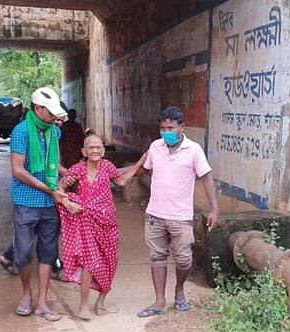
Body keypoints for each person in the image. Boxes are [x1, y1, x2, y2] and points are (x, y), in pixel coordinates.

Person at [136, 106, 220, 318]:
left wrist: (214, 209)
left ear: (182, 127)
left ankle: (179, 289)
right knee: (157, 256)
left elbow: (206, 178)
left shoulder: (193, 150)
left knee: (184, 260)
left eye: (171, 128)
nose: (166, 132)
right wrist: (121, 173)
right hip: (155, 215)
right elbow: (145, 169)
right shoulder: (156, 146)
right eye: (163, 128)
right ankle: (159, 301)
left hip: (181, 217)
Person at [57, 134, 147, 320]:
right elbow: (59, 187)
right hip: (86, 222)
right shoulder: (78, 170)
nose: (95, 150)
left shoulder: (107, 167)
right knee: (90, 263)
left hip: (107, 222)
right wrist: (67, 203)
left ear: (104, 151)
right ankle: (83, 306)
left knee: (109, 261)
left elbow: (121, 181)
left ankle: (100, 302)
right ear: (84, 152)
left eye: (98, 147)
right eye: (91, 147)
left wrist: (139, 164)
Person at [9, 86, 74, 322]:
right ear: (37, 109)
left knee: (47, 252)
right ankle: (26, 294)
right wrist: (49, 188)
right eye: (50, 112)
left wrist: (70, 172)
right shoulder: (21, 132)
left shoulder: (54, 132)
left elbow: (51, 164)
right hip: (26, 201)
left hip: (49, 204)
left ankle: (42, 302)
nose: (55, 117)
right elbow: (18, 170)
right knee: (24, 253)